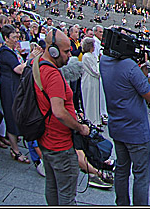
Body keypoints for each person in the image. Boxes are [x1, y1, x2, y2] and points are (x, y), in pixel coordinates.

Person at [35, 28, 92, 205]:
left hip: (46, 140)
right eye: (66, 51)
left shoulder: (37, 63)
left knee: (52, 188)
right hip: (61, 145)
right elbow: (59, 111)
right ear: (53, 51)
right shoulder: (53, 74)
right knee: (67, 198)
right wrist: (80, 127)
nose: (69, 56)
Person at [100, 36, 150, 205]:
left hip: (117, 127)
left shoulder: (104, 61)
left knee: (121, 170)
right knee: (141, 175)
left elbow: (129, 82)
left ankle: (122, 203)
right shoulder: (129, 66)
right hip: (136, 130)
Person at [0, 25, 31, 163]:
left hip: (14, 85)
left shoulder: (11, 50)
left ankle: (15, 145)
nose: (17, 39)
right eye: (14, 37)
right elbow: (18, 69)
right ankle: (15, 150)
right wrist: (31, 59)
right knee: (11, 115)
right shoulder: (5, 52)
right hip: (9, 86)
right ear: (6, 38)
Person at [80, 37, 107, 125]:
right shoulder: (87, 56)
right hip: (89, 80)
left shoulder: (92, 56)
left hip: (94, 80)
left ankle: (96, 120)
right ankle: (91, 121)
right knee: (90, 100)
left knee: (95, 100)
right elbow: (94, 70)